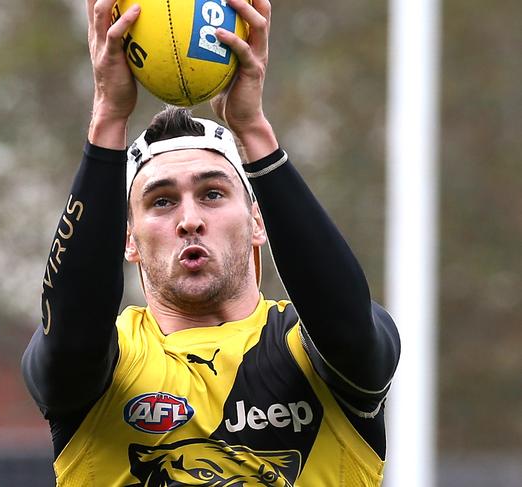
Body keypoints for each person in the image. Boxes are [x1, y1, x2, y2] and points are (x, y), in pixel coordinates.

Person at [21, 0, 401, 484]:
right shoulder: (107, 359)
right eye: (160, 202)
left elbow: (347, 327)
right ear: (128, 241)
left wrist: (253, 129)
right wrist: (109, 119)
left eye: (213, 193)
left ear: (258, 221)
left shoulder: (310, 348)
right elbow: (70, 336)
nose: (190, 219)